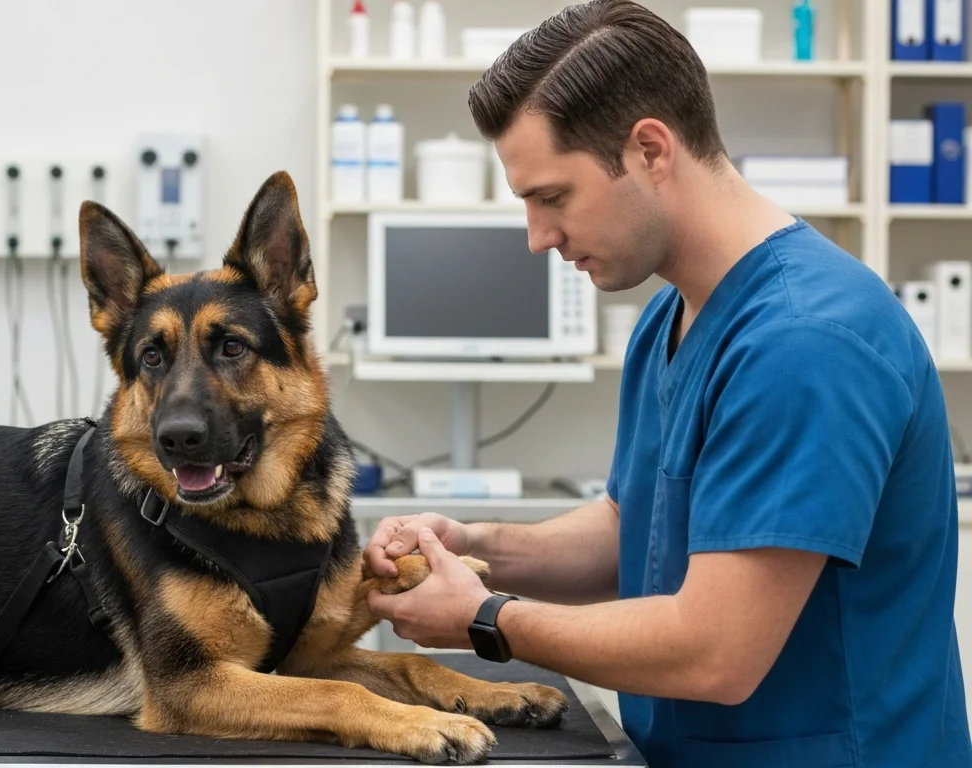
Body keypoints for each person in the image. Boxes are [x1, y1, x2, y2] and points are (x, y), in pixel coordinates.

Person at [361, 1, 972, 766]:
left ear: (650, 148)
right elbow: (635, 530)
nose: (538, 237)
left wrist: (487, 617)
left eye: (552, 197)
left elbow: (717, 651)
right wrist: (476, 547)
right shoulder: (671, 318)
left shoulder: (805, 340)